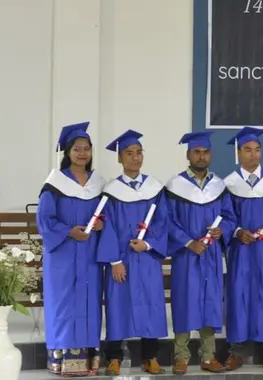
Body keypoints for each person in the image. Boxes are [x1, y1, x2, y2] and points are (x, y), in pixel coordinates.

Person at [36, 122, 106, 377]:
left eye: (87, 148)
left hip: (89, 253)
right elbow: (45, 220)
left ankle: (87, 361)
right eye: (77, 149)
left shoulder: (98, 184)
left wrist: (101, 224)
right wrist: (68, 231)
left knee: (89, 302)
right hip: (63, 254)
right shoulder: (55, 184)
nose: (82, 153)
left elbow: (108, 216)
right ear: (67, 152)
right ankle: (62, 361)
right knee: (64, 304)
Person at [164, 130, 236, 374]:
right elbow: (167, 221)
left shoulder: (219, 186)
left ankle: (208, 356)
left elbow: (229, 217)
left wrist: (222, 230)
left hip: (211, 254)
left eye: (205, 152)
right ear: (188, 155)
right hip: (186, 255)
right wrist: (187, 242)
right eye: (197, 152)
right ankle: (181, 357)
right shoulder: (175, 186)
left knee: (210, 302)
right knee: (184, 301)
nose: (201, 156)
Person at [97, 130, 168, 375]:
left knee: (151, 303)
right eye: (129, 153)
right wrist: (114, 260)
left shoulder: (155, 188)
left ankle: (150, 357)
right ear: (120, 158)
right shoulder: (111, 191)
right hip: (121, 258)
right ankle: (114, 357)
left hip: (147, 257)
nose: (135, 158)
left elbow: (163, 222)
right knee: (117, 305)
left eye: (139, 153)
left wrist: (148, 245)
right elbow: (107, 227)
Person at [223, 126, 263, 371]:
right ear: (238, 153)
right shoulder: (228, 184)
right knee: (238, 295)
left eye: (257, 150)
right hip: (240, 250)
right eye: (248, 150)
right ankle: (237, 351)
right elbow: (224, 216)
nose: (253, 155)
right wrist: (237, 231)